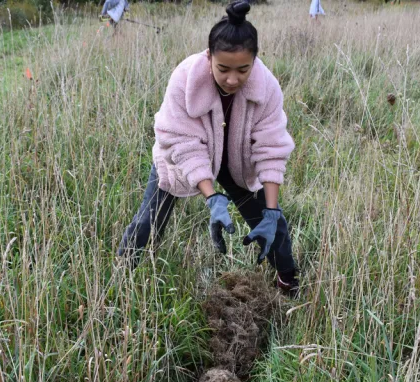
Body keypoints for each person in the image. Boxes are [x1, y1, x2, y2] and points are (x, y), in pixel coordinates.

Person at [117, 1, 300, 296]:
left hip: (237, 160)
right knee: (147, 222)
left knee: (275, 226)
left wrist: (270, 210)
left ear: (255, 61)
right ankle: (121, 278)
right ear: (209, 57)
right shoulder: (185, 78)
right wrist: (212, 198)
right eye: (223, 69)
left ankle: (289, 283)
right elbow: (181, 142)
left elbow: (271, 147)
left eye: (243, 70)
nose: (232, 79)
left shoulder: (266, 87)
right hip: (182, 158)